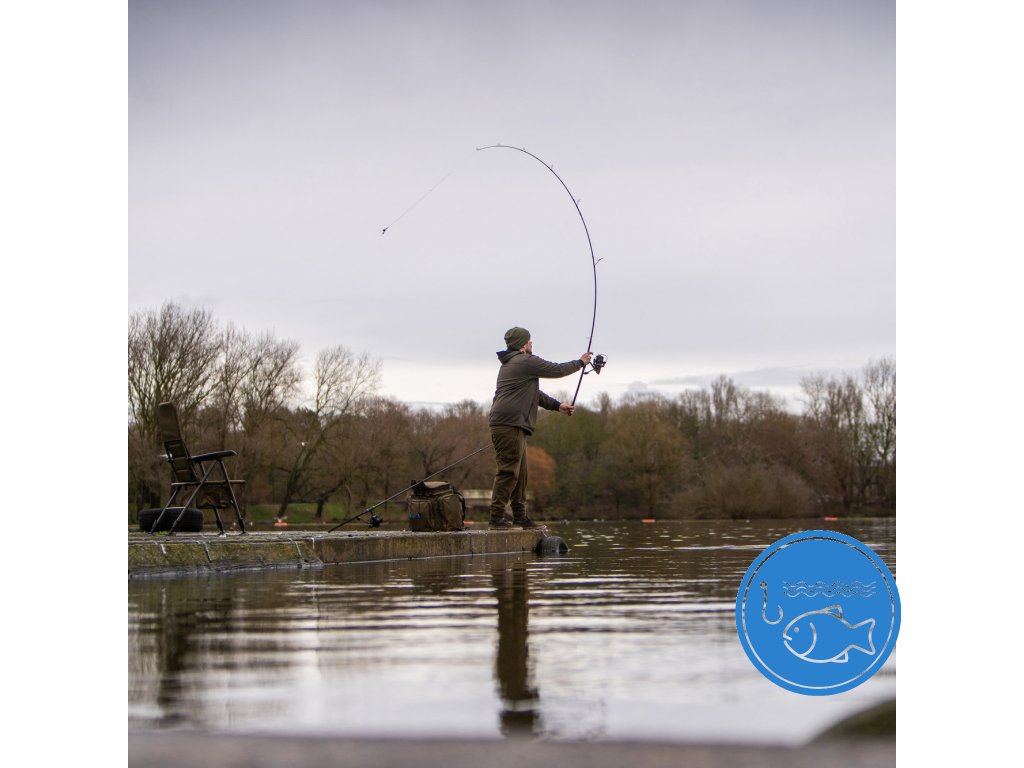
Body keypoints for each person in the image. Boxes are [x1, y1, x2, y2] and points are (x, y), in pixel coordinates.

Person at [488, 326, 593, 529]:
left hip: (511, 424)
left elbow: (535, 395)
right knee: (508, 472)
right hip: (509, 424)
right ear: (522, 345)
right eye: (529, 340)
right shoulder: (524, 361)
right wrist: (581, 363)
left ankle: (520, 517)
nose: (531, 343)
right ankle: (496, 518)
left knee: (520, 474)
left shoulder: (513, 364)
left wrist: (557, 406)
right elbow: (556, 369)